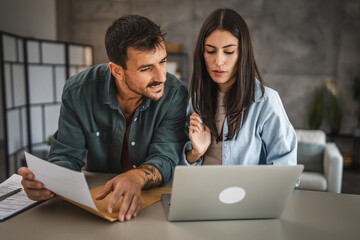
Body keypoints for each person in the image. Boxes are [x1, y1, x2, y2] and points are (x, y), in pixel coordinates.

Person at [18, 15, 188, 222]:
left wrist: (136, 177)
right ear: (117, 70)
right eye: (146, 68)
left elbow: (166, 157)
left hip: (152, 205)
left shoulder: (175, 92)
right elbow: (67, 156)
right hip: (96, 201)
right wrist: (47, 181)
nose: (161, 76)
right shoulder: (77, 91)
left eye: (162, 61)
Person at [181, 8, 297, 166]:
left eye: (228, 51)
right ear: (202, 54)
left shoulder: (265, 102)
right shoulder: (196, 100)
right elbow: (178, 167)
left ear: (243, 53)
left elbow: (285, 167)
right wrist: (195, 152)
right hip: (201, 190)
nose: (219, 61)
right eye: (210, 51)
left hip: (249, 191)